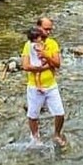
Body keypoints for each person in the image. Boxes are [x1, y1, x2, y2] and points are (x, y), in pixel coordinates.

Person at [21, 16, 65, 147]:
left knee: (60, 113)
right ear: (38, 27)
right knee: (33, 114)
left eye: (50, 29)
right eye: (46, 29)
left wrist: (46, 56)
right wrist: (40, 67)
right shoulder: (28, 45)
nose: (48, 32)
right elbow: (25, 65)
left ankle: (57, 134)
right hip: (34, 86)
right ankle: (35, 137)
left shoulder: (52, 44)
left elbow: (57, 64)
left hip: (51, 85)